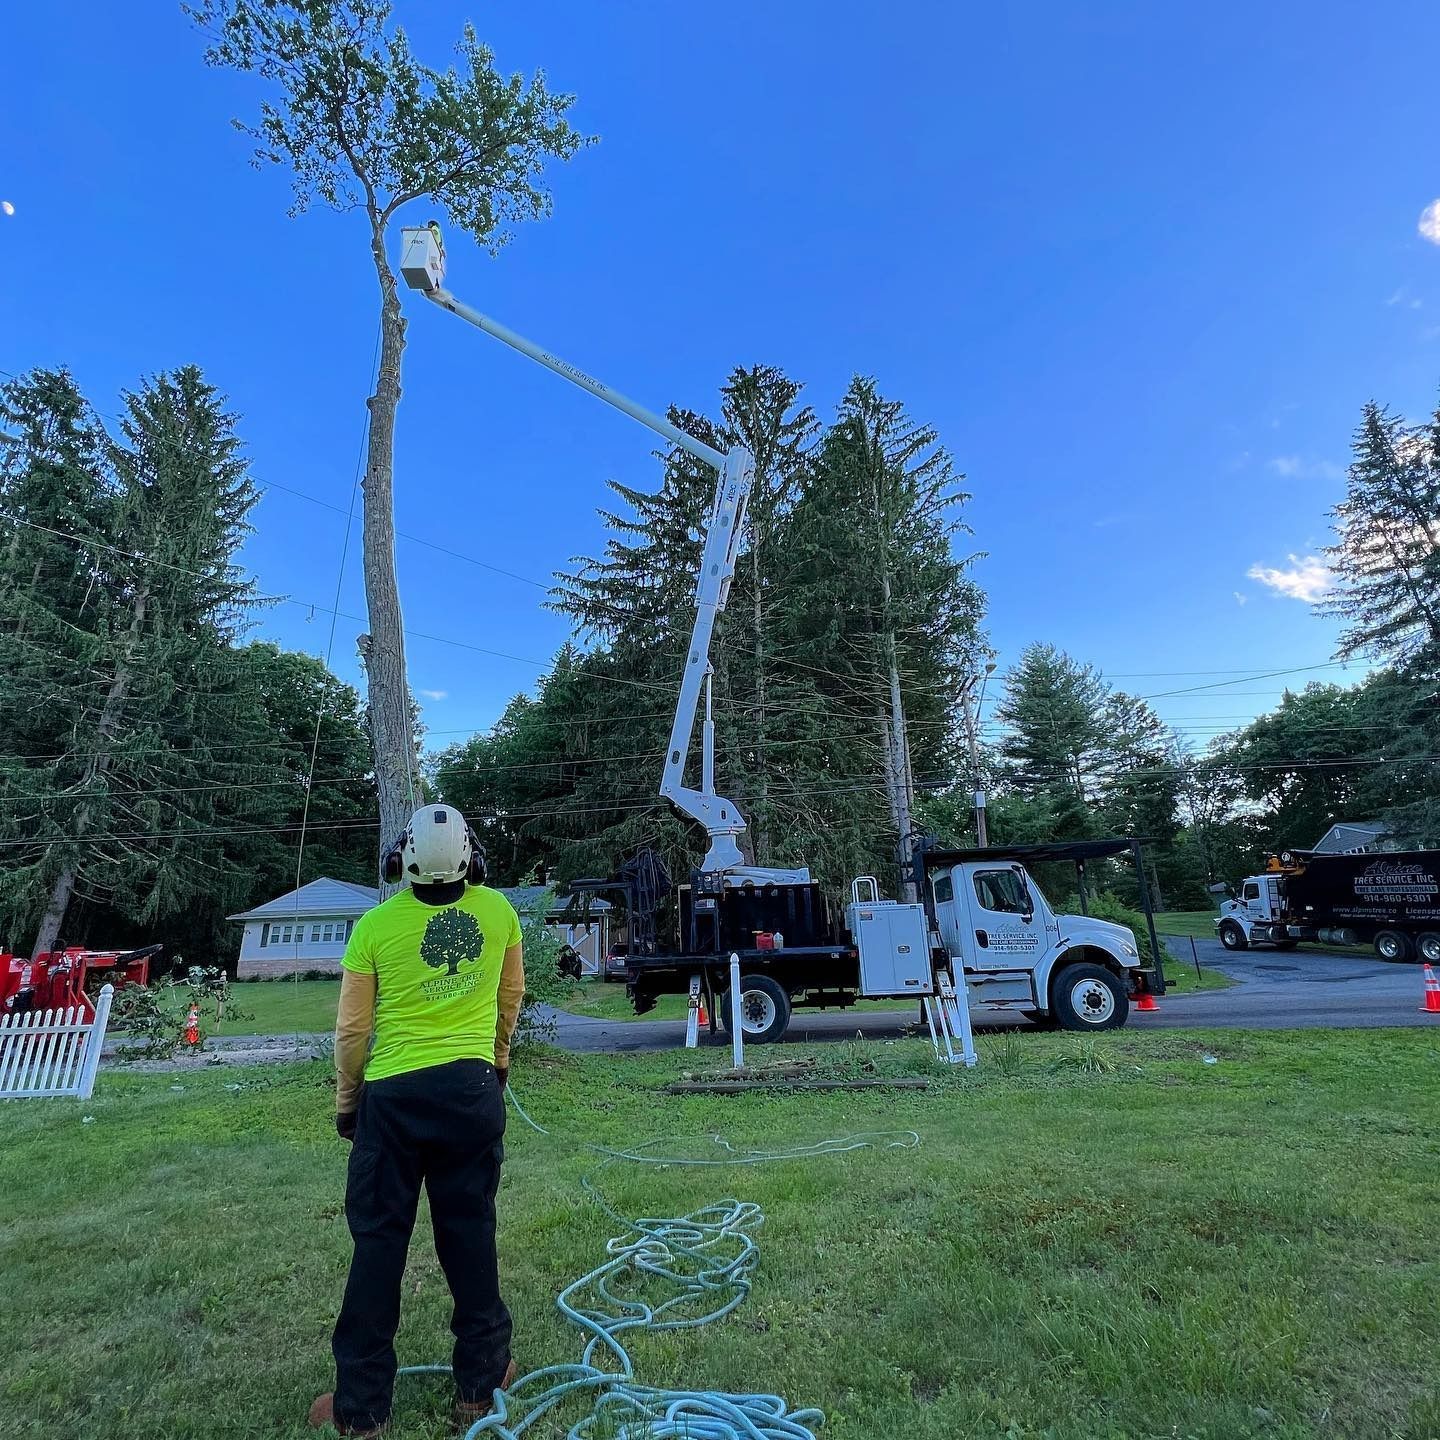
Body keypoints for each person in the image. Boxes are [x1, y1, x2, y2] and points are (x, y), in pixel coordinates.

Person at [309, 804, 525, 1437]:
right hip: (471, 1093)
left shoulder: (374, 927)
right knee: (469, 1234)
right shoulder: (499, 914)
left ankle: (360, 1408)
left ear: (399, 860)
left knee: (379, 1245)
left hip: (393, 1102)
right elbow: (510, 998)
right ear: (472, 859)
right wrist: (499, 1061)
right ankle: (480, 1389)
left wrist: (349, 1102)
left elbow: (352, 1031)